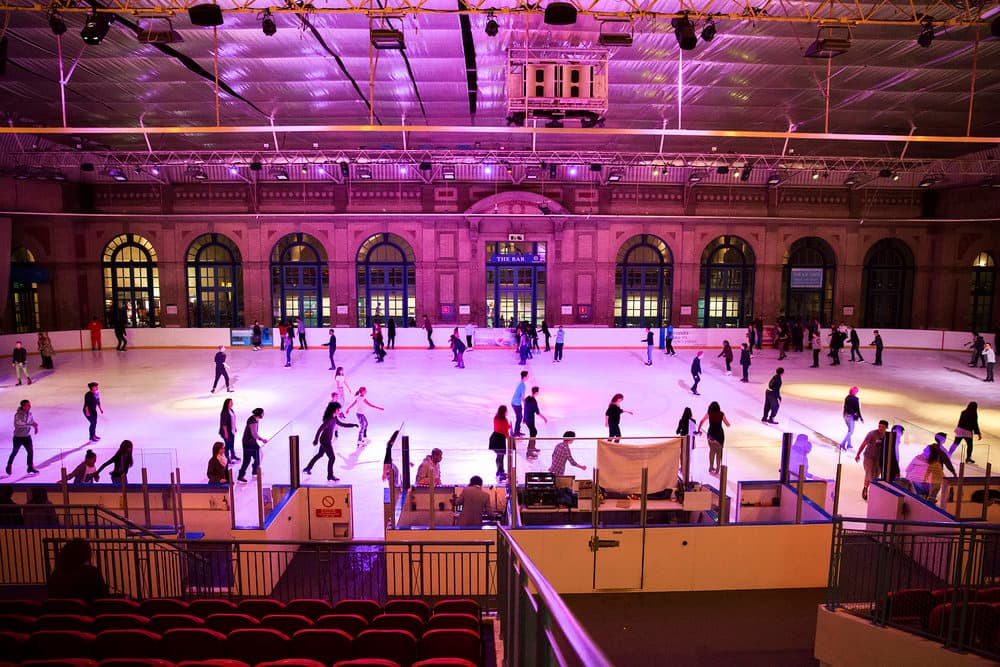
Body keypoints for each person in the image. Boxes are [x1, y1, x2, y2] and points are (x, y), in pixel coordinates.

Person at [305, 402, 357, 482]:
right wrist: (316, 439)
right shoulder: (329, 419)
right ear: (334, 409)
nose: (339, 411)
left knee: (320, 455)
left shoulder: (334, 418)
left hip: (325, 440)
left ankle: (308, 468)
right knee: (332, 458)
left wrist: (352, 425)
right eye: (338, 409)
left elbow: (342, 424)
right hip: (325, 441)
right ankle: (330, 475)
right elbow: (320, 429)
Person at [47, 539, 108, 603]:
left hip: (61, 609)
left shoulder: (56, 575)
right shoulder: (92, 573)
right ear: (85, 555)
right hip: (88, 608)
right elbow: (102, 596)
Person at [856, 420, 889, 500]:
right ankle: (865, 488)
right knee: (869, 474)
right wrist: (858, 454)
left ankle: (873, 491)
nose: (880, 428)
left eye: (882, 427)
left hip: (879, 459)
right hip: (869, 457)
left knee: (876, 476)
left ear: (886, 428)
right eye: (879, 426)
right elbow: (864, 443)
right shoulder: (872, 434)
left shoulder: (887, 436)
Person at [7, 399, 40, 475]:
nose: (30, 406)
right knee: (15, 452)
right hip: (18, 437)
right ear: (23, 406)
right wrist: (31, 425)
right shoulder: (18, 415)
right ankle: (9, 465)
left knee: (30, 452)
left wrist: (36, 427)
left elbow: (32, 421)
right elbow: (19, 424)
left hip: (27, 437)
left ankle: (30, 467)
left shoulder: (30, 414)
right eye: (28, 405)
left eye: (30, 405)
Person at [698, 401, 731, 475]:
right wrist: (729, 424)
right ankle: (718, 469)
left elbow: (701, 421)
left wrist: (698, 430)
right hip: (719, 435)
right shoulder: (721, 414)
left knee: (712, 451)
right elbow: (727, 424)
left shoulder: (709, 413)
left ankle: (711, 467)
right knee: (719, 453)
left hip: (711, 434)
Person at [923, 433, 957, 502]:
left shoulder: (929, 447)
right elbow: (947, 461)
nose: (945, 440)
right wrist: (953, 471)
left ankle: (929, 499)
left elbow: (924, 456)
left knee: (932, 487)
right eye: (945, 438)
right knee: (936, 488)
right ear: (942, 439)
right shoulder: (941, 450)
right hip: (936, 472)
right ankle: (931, 501)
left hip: (928, 470)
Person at [237, 408, 268, 482]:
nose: (263, 414)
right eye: (262, 413)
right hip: (248, 443)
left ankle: (255, 470)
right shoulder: (252, 421)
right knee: (247, 460)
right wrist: (262, 439)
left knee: (259, 455)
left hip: (252, 441)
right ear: (259, 414)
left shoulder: (255, 419)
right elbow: (254, 434)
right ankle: (240, 476)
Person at [523, 386, 549, 458]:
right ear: (536, 392)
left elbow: (525, 408)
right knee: (533, 433)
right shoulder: (533, 401)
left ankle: (532, 447)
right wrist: (544, 418)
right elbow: (537, 412)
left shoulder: (527, 398)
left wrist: (524, 419)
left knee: (534, 432)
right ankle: (529, 452)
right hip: (530, 419)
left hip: (527, 419)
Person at [489, 405, 511, 480]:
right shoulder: (504, 420)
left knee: (499, 456)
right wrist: (509, 439)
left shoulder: (496, 418)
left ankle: (500, 471)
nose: (507, 411)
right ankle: (500, 471)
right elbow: (505, 431)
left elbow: (502, 427)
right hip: (500, 439)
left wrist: (508, 426)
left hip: (494, 437)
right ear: (504, 411)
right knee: (500, 456)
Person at [839, 386, 863, 450]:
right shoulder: (855, 399)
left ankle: (849, 444)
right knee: (851, 431)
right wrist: (861, 418)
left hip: (845, 415)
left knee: (849, 430)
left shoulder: (847, 397)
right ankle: (843, 443)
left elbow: (845, 407)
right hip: (850, 416)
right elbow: (857, 409)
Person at [219, 398, 238, 463]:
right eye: (231, 402)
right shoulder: (224, 412)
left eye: (232, 402)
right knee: (228, 445)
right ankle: (227, 458)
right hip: (227, 432)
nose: (232, 404)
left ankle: (233, 456)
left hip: (231, 430)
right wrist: (225, 432)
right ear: (227, 404)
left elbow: (232, 420)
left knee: (231, 444)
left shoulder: (231, 410)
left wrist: (234, 427)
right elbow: (224, 423)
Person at [511, 371, 528, 436]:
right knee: (519, 417)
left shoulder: (520, 383)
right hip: (516, 403)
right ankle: (516, 432)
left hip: (515, 402)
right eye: (527, 376)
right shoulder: (523, 385)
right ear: (525, 377)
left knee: (519, 417)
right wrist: (526, 404)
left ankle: (517, 431)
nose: (528, 377)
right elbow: (523, 397)